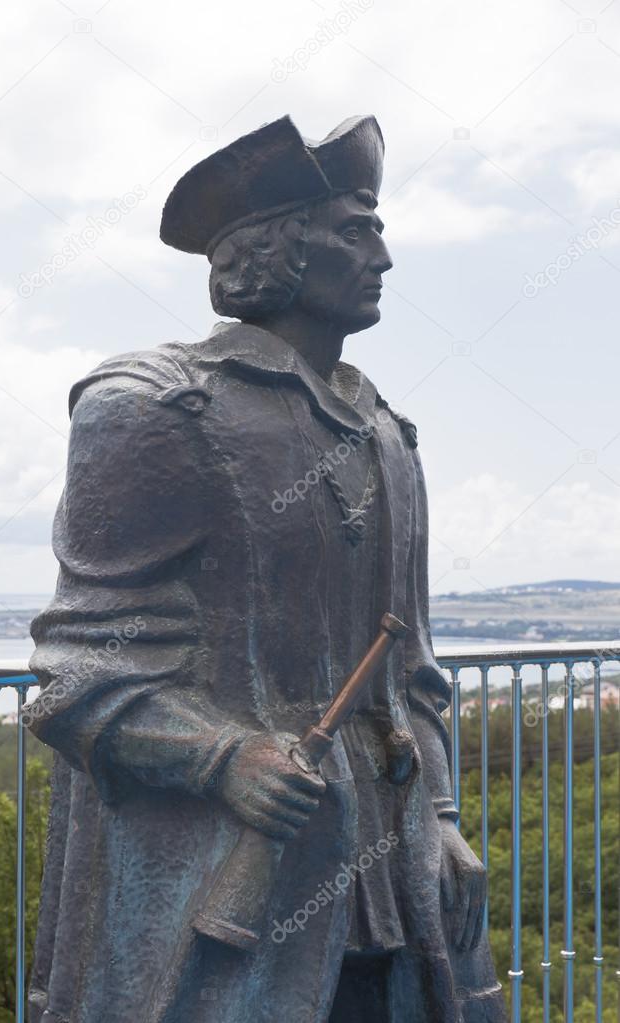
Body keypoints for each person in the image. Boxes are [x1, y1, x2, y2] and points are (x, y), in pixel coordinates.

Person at [26, 114, 506, 1022]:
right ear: (274, 249)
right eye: (353, 228)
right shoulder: (156, 408)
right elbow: (74, 669)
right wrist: (225, 756)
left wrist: (439, 817)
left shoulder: (387, 436)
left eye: (379, 227)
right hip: (225, 904)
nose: (385, 257)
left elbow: (416, 677)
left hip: (398, 895)